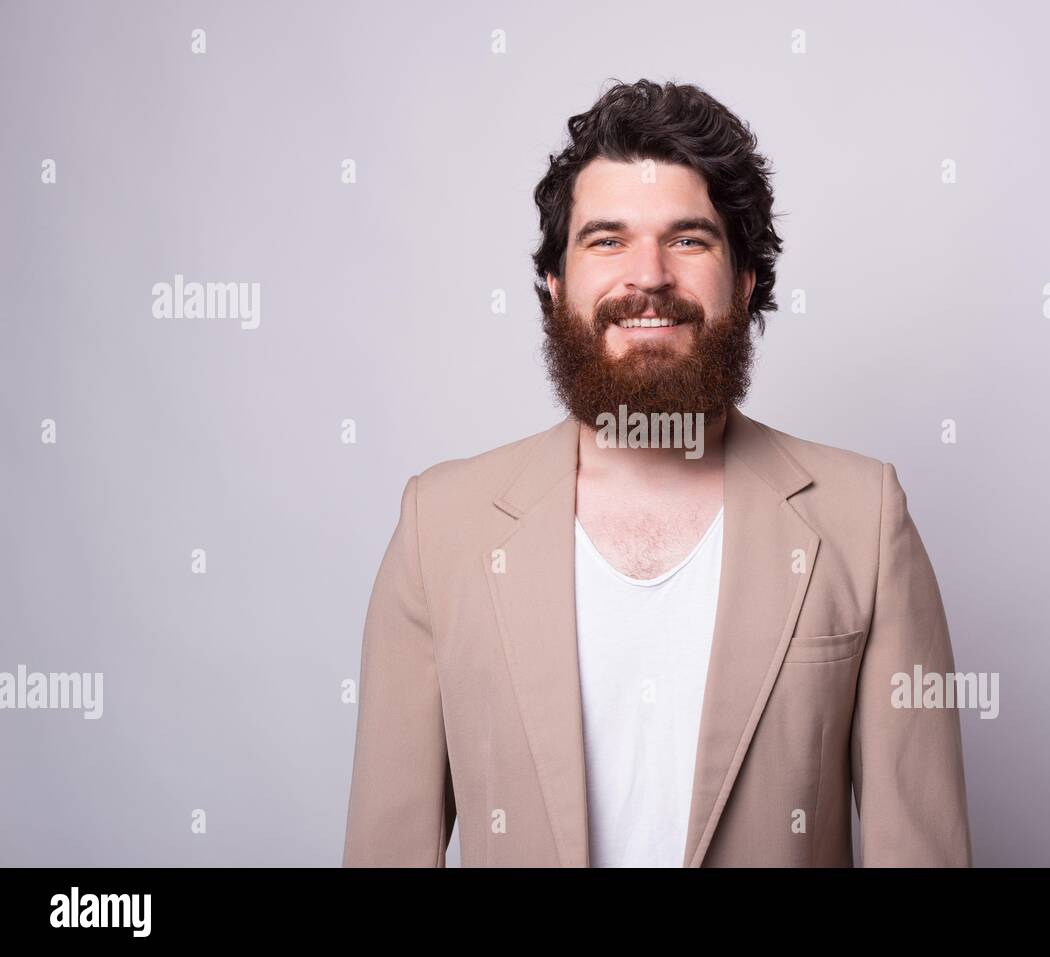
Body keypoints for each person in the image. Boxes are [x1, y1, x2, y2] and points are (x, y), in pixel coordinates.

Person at [342, 79, 972, 867]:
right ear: (555, 286)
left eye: (689, 239)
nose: (649, 276)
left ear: (744, 282)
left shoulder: (864, 519)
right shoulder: (440, 527)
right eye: (606, 239)